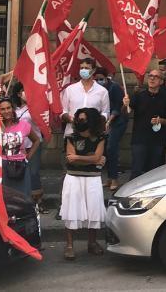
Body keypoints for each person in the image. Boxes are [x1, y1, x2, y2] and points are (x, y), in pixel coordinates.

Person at [60, 107, 107, 261]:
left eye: (84, 119)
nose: (80, 121)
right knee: (71, 209)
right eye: (79, 119)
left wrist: (82, 158)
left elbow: (96, 157)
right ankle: (69, 246)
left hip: (92, 178)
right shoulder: (70, 137)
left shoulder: (100, 137)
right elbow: (70, 158)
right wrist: (92, 158)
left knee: (93, 209)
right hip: (73, 178)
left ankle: (92, 243)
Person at [123, 69, 166, 179]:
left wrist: (161, 121)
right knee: (136, 171)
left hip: (157, 141)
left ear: (161, 81)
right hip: (139, 139)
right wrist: (125, 104)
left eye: (156, 77)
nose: (152, 78)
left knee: (153, 173)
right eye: (150, 76)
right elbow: (126, 112)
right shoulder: (139, 95)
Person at [12, 82, 48, 212]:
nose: (26, 93)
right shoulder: (15, 109)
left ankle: (38, 201)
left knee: (33, 172)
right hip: (18, 145)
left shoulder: (35, 108)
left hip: (33, 143)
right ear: (18, 94)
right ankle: (23, 201)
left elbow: (39, 120)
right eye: (23, 90)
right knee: (21, 173)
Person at [0, 96, 40, 197]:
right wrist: (1, 127)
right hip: (3, 165)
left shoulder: (23, 124)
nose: (6, 111)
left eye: (8, 108)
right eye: (2, 109)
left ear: (12, 109)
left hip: (20, 165)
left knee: (22, 197)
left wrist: (28, 156)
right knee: (6, 198)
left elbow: (36, 140)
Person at [60, 58, 110, 136]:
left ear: (93, 70)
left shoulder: (102, 91)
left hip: (93, 134)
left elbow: (106, 113)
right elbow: (63, 111)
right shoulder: (70, 89)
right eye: (81, 68)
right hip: (72, 133)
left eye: (86, 68)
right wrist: (73, 121)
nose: (83, 70)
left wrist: (95, 121)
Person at [95, 68, 126, 192]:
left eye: (100, 79)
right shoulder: (96, 89)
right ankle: (108, 178)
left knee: (111, 148)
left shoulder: (114, 88)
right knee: (104, 151)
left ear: (106, 77)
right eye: (96, 79)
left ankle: (114, 178)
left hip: (117, 122)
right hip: (103, 122)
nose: (98, 81)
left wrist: (109, 121)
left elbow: (118, 107)